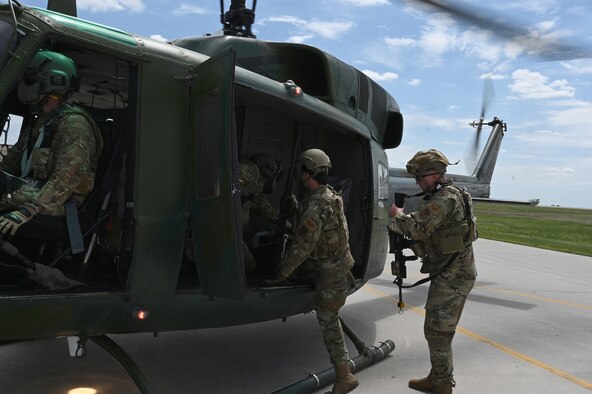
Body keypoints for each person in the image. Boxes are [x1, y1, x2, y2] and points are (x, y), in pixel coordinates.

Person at [266, 148, 358, 394]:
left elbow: (302, 247)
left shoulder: (316, 206)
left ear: (308, 173)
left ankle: (345, 376)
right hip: (338, 267)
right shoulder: (330, 196)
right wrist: (298, 207)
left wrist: (281, 273)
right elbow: (320, 228)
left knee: (329, 323)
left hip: (331, 275)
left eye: (302, 172)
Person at [387, 149, 478, 394]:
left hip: (453, 275)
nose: (418, 183)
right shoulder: (454, 193)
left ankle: (443, 385)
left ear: (434, 174)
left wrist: (397, 216)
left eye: (419, 178)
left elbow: (417, 227)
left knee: (438, 332)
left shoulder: (445, 199)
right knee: (437, 330)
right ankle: (439, 376)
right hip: (453, 271)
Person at [0, 49, 103, 237]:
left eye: (30, 81)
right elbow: (10, 165)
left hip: (58, 202)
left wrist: (29, 210)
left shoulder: (75, 126)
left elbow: (65, 180)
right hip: (32, 192)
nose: (24, 86)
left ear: (53, 83)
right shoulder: (41, 122)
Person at [239, 153, 283, 272]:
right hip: (226, 230)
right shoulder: (250, 172)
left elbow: (263, 207)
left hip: (232, 230)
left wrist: (281, 219)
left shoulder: (252, 188)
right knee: (249, 264)